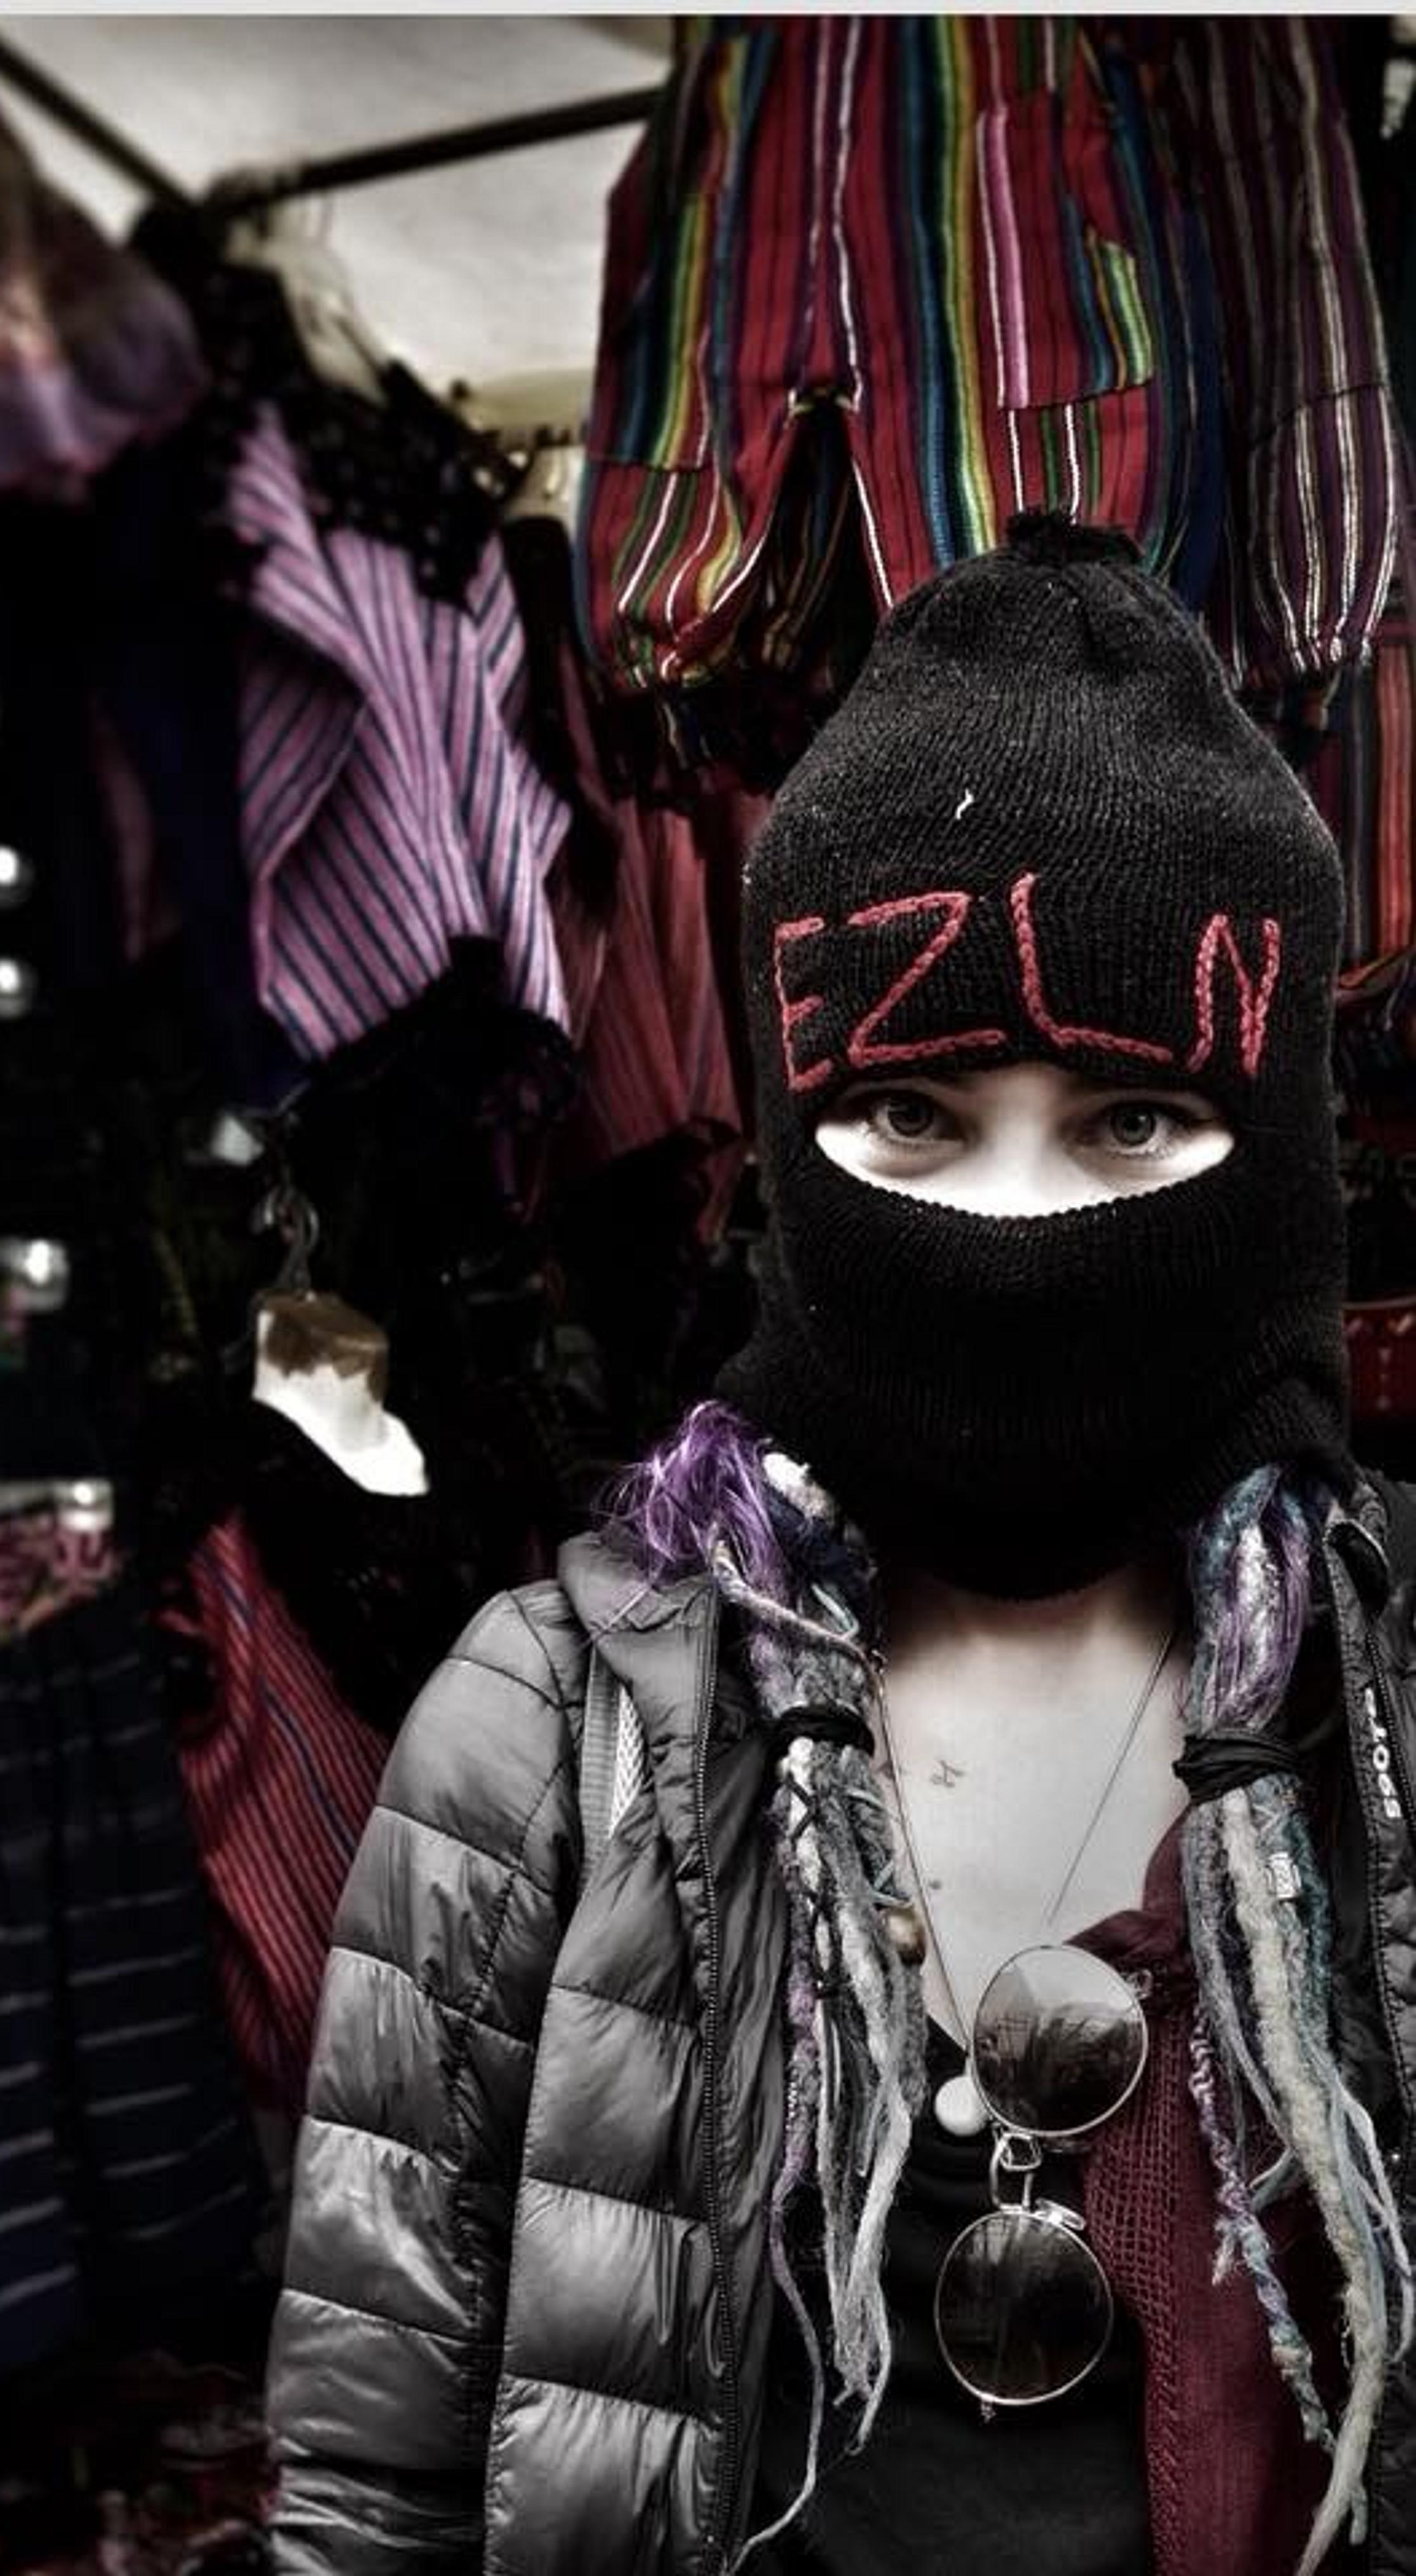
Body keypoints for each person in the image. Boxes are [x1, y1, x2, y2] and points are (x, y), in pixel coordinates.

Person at [265, 513, 1416, 2576]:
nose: (1017, 1218)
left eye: (1134, 1121)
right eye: (912, 1121)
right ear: (796, 1144)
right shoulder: (552, 1727)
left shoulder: (1389, 1703)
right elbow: (376, 2471)